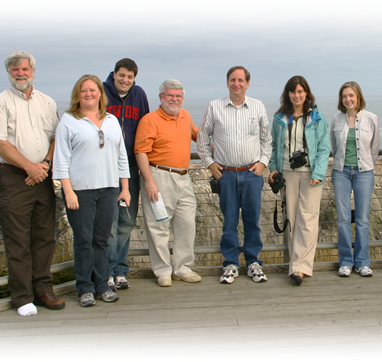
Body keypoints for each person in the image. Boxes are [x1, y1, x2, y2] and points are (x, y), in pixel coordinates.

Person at [0, 50, 65, 317]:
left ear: (33, 71)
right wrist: (30, 167)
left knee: (44, 238)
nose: (21, 73)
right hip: (14, 179)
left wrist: (44, 165)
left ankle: (44, 290)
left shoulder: (47, 102)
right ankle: (22, 297)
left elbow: (56, 138)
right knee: (17, 240)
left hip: (43, 176)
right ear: (9, 73)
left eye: (25, 69)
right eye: (15, 70)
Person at [53, 75, 130, 307]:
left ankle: (102, 285)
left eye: (93, 90)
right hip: (81, 192)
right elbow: (61, 159)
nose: (89, 94)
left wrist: (124, 188)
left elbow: (121, 156)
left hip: (108, 189)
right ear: (78, 94)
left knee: (102, 240)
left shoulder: (111, 120)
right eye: (84, 90)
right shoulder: (68, 121)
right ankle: (84, 287)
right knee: (84, 241)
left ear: (100, 93)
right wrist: (68, 191)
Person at [196, 66, 272, 284]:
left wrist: (263, 163)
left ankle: (253, 263)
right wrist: (210, 165)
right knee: (228, 221)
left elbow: (267, 140)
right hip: (226, 175)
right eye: (232, 80)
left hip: (252, 173)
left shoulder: (257, 106)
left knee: (252, 220)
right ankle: (230, 263)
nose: (236, 84)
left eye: (240, 80)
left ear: (247, 83)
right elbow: (202, 139)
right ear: (227, 82)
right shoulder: (214, 107)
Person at [135, 79, 201, 287]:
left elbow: (197, 134)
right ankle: (162, 270)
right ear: (161, 97)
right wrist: (149, 181)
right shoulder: (149, 120)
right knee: (159, 225)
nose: (174, 99)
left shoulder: (185, 115)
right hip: (158, 176)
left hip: (184, 176)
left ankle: (182, 267)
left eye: (178, 96)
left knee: (186, 224)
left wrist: (220, 143)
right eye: (170, 95)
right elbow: (141, 152)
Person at [268, 76, 330, 286]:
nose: (297, 95)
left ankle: (300, 267)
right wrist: (273, 169)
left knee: (308, 219)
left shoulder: (317, 118)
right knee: (292, 219)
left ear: (306, 94)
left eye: (301, 91)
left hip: (311, 174)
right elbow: (274, 147)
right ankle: (295, 265)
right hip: (287, 172)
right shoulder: (279, 119)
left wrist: (319, 173)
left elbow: (323, 148)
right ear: (288, 94)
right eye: (293, 92)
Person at [103, 58, 150, 291]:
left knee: (127, 221)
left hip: (131, 168)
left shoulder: (139, 95)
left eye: (130, 77)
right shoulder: (102, 93)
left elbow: (147, 127)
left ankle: (120, 269)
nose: (125, 80)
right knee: (109, 223)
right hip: (106, 168)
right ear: (114, 75)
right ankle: (108, 271)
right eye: (122, 75)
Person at [329, 81, 379, 278]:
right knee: (342, 219)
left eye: (351, 95)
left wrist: (366, 165)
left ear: (358, 96)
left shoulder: (371, 118)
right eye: (344, 96)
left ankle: (363, 262)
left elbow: (374, 148)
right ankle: (345, 262)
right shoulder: (336, 119)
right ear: (341, 100)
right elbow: (334, 146)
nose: (348, 99)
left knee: (362, 219)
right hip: (341, 172)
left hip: (364, 172)